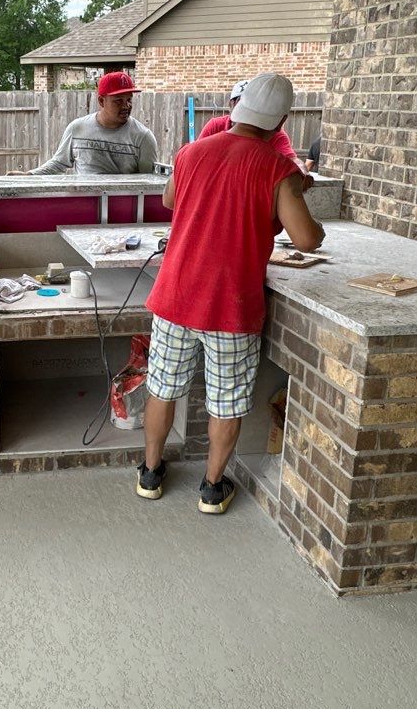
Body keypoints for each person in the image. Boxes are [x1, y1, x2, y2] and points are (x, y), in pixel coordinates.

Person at [137, 72, 323, 513]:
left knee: (162, 388)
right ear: (280, 122)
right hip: (231, 308)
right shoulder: (279, 168)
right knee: (226, 400)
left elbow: (169, 200)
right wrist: (295, 192)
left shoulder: (191, 152)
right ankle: (211, 489)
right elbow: (307, 240)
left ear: (236, 111)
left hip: (175, 298)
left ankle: (149, 473)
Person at [28, 69, 158, 174]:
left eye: (129, 100)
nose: (126, 106)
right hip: (84, 204)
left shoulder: (143, 137)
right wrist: (30, 175)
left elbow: (148, 181)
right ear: (101, 101)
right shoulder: (77, 128)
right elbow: (58, 163)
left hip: (123, 206)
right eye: (118, 101)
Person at [198, 78, 307, 172]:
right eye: (240, 102)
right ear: (231, 104)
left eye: (248, 104)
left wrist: (301, 171)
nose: (245, 109)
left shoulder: (273, 132)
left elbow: (293, 161)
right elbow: (199, 156)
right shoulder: (216, 125)